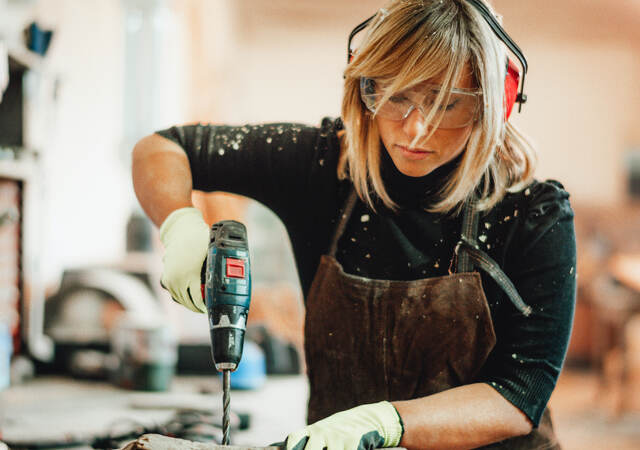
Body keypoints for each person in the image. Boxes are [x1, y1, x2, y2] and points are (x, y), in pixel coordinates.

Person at [131, 0, 576, 448]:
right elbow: (164, 148)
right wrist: (178, 224)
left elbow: (520, 395)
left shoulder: (534, 214)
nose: (415, 128)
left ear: (494, 103)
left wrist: (389, 424)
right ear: (365, 87)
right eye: (396, 96)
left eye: (446, 104)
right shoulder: (323, 166)